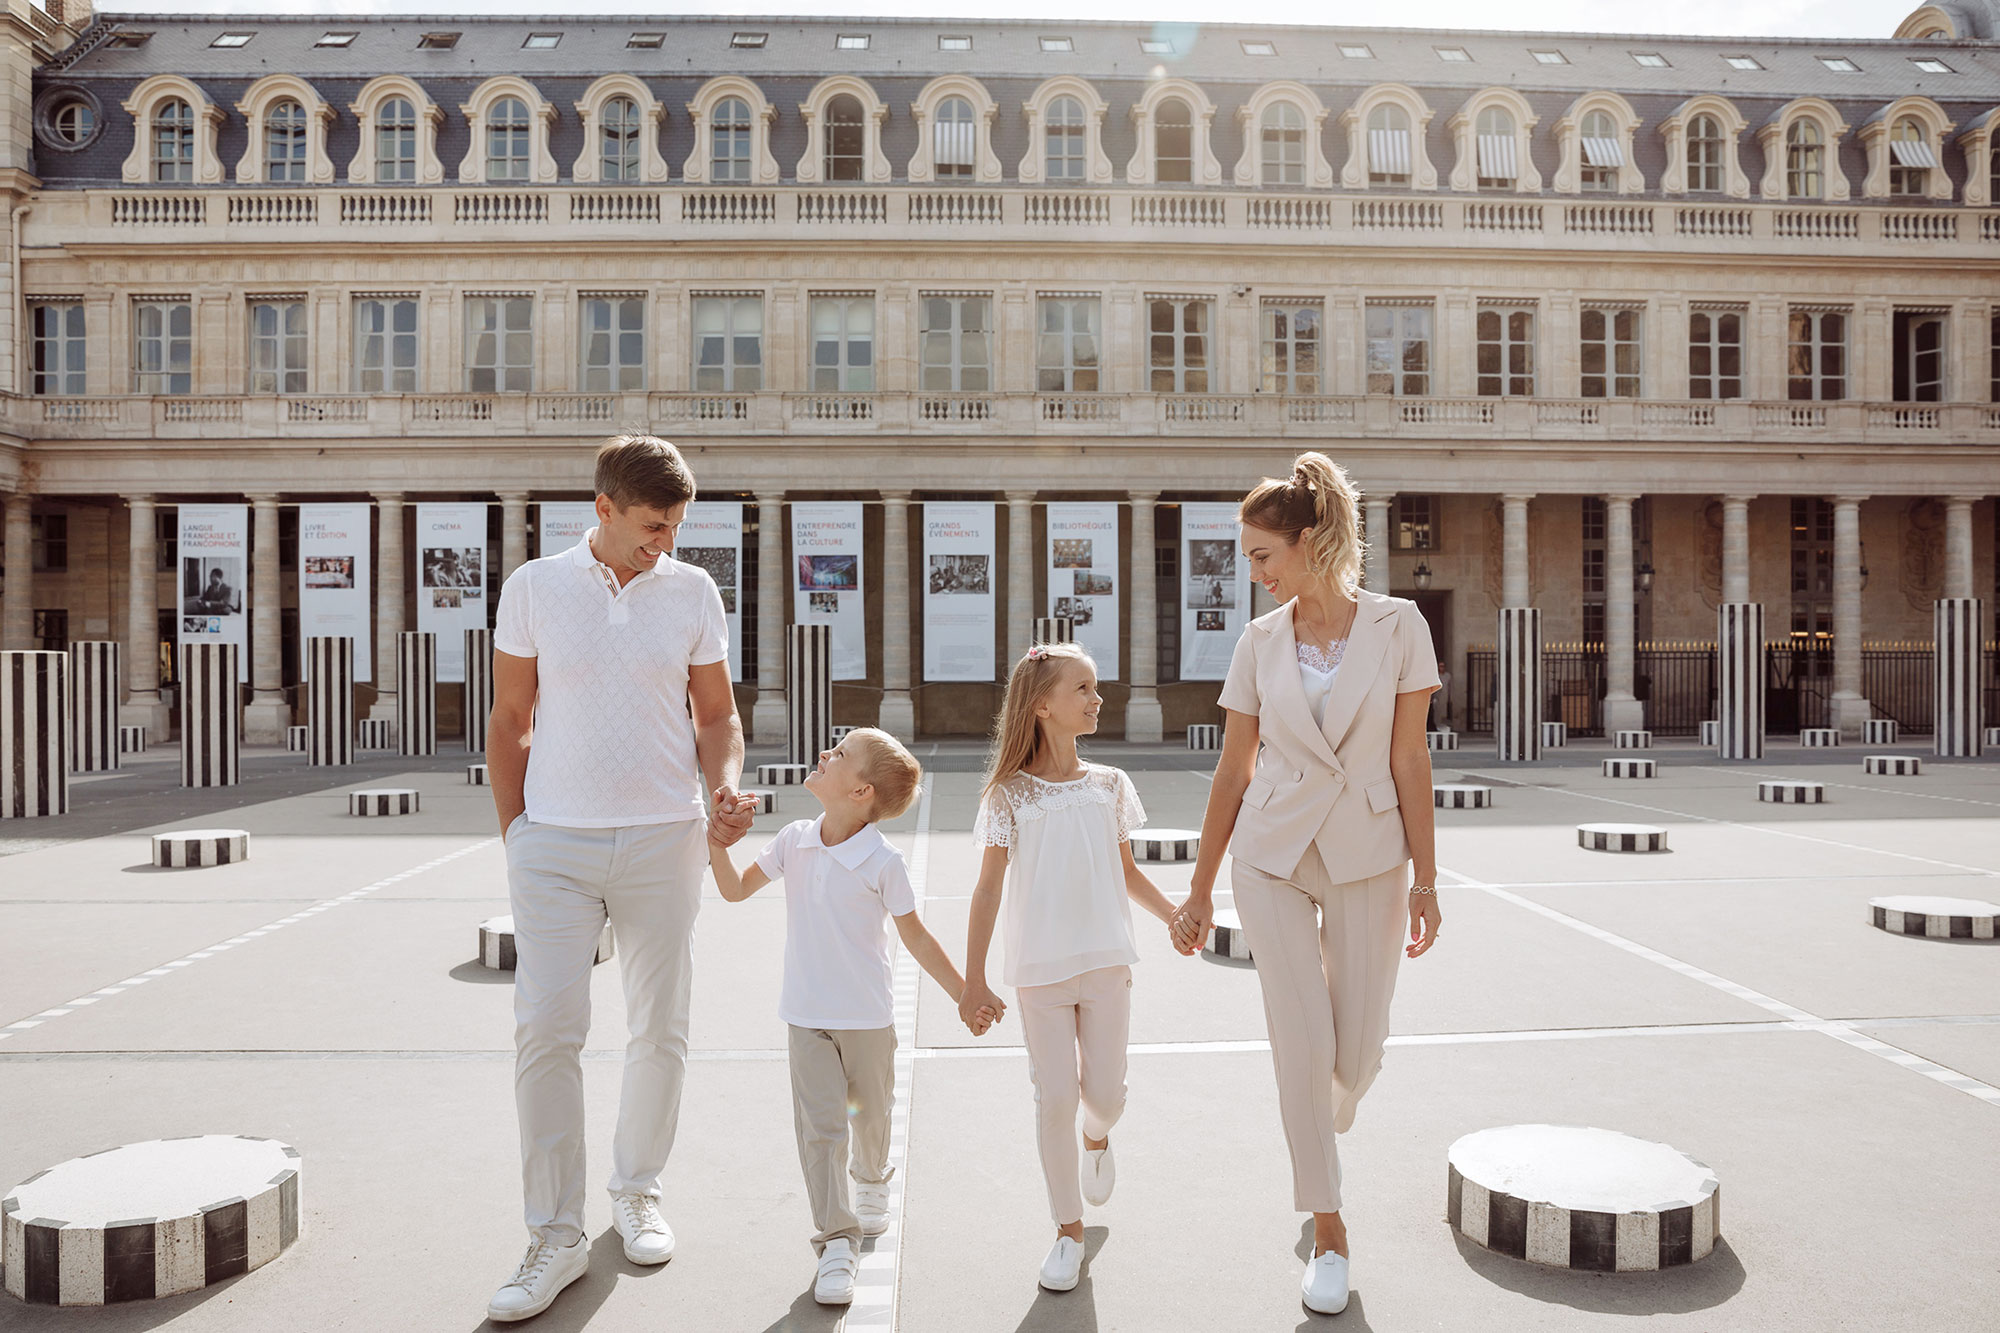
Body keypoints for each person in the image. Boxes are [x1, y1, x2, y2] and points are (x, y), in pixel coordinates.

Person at [483, 434, 755, 1323]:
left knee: (660, 1028)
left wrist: (723, 786)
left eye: (675, 525)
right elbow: (511, 716)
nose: (665, 541)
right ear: (600, 509)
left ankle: (637, 1189)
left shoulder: (693, 591)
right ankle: (554, 1235)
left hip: (663, 841)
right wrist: (515, 834)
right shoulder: (532, 587)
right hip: (553, 845)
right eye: (650, 525)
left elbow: (716, 714)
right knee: (547, 1031)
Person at [1171, 450, 1443, 1317]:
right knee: (1299, 1042)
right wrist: (1200, 886)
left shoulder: (1400, 627)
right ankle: (1328, 1225)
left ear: (1313, 541)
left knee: (1352, 1055)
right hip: (1273, 854)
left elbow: (1410, 757)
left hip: (1369, 850)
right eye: (1249, 557)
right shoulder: (1258, 642)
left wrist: (1428, 879)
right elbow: (1231, 771)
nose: (1253, 572)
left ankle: (1334, 1106)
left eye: (1262, 555)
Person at [707, 729, 998, 1306]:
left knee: (869, 1118)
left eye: (838, 754)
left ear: (860, 790)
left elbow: (915, 935)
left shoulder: (883, 861)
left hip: (867, 1019)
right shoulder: (794, 839)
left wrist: (965, 993)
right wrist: (718, 842)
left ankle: (871, 1180)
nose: (824, 754)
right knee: (821, 1130)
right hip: (805, 1017)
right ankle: (836, 1239)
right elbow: (737, 890)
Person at [959, 643, 1183, 1294]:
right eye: (1083, 688)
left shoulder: (1110, 784)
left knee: (1104, 1097)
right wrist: (974, 977)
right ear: (1043, 705)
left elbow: (1127, 871)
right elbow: (987, 890)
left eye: (1096, 688)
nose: (1096, 699)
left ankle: (1097, 1136)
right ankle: (1067, 1229)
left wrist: (1173, 915)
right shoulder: (1007, 795)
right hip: (1039, 974)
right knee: (1053, 1095)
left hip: (1107, 963)